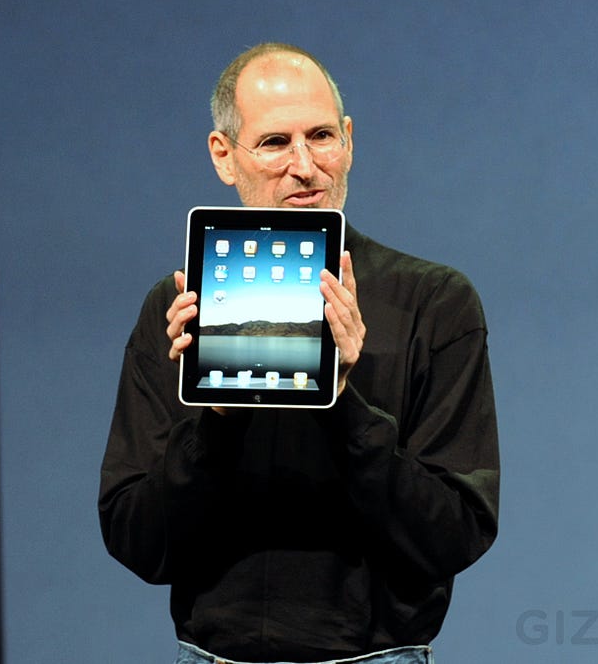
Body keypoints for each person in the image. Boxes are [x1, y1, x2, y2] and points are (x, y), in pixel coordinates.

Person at [99, 43, 500, 664]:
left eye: (320, 136)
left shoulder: (434, 302)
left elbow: (455, 534)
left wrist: (342, 406)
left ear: (349, 140)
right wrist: (218, 421)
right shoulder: (176, 310)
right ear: (224, 157)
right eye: (274, 143)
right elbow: (137, 540)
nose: (305, 166)